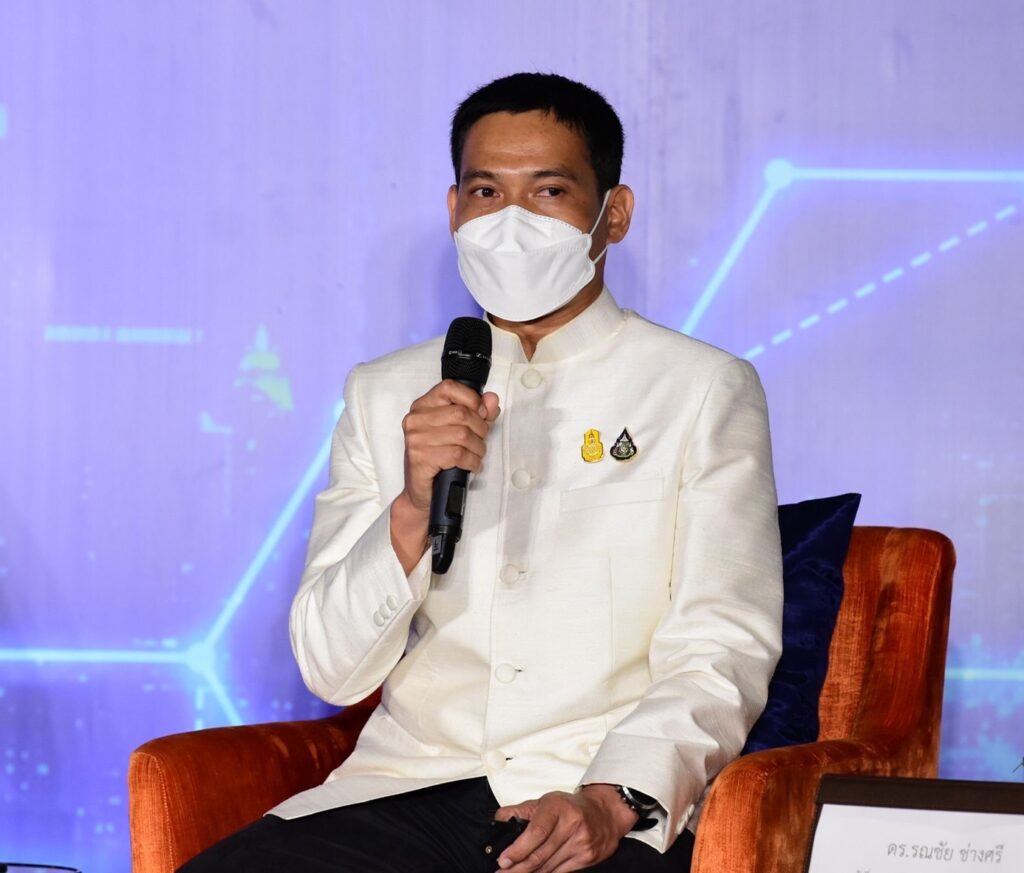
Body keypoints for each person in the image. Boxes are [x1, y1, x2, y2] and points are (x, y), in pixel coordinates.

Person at [180, 72, 783, 873]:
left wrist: (613, 800)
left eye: (549, 191)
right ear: (454, 210)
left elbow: (722, 642)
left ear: (614, 214)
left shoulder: (700, 386)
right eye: (487, 192)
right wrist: (410, 507)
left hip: (590, 791)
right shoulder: (385, 390)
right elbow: (331, 668)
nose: (511, 221)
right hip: (409, 784)